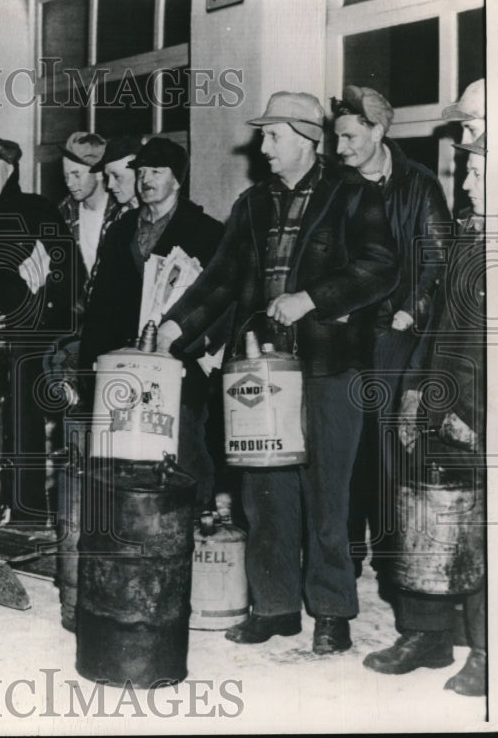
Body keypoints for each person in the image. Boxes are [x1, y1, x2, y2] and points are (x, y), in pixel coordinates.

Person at [157, 92, 398, 655]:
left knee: (326, 493)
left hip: (330, 368)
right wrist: (175, 327)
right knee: (263, 490)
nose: (262, 147)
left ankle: (333, 611)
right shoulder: (251, 205)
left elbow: (380, 267)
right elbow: (219, 279)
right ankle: (275, 606)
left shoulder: (353, 194)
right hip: (261, 368)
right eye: (264, 136)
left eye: (274, 136)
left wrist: (311, 298)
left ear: (307, 141)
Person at [363, 133, 487, 696]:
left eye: (479, 174)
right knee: (419, 515)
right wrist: (413, 391)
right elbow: (435, 324)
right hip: (439, 399)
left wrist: (477, 421)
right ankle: (425, 633)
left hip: (479, 416)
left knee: (481, 532)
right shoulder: (467, 235)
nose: (465, 184)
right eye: (467, 172)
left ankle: (485, 651)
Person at [331, 86, 452, 577]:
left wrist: (409, 311)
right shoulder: (336, 187)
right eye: (336, 138)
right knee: (345, 449)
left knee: (386, 450)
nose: (339, 148)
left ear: (378, 132)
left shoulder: (418, 184)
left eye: (349, 136)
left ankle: (390, 558)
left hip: (393, 332)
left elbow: (437, 258)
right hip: (343, 333)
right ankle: (346, 555)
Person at [80, 137, 225, 503]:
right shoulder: (121, 230)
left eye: (156, 172)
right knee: (122, 456)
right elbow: (100, 305)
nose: (145, 180)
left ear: (177, 180)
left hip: (179, 364)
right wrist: (90, 362)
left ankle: (193, 530)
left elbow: (220, 301)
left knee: (183, 450)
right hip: (121, 363)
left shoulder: (206, 232)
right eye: (141, 171)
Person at [0, 138, 81, 523]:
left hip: (31, 338)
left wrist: (34, 320)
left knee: (24, 424)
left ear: (10, 171)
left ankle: (29, 508)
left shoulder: (37, 210)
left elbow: (68, 273)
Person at [56, 131, 115, 298]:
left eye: (76, 175)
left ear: (98, 173)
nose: (69, 183)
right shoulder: (64, 211)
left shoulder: (122, 212)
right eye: (66, 176)